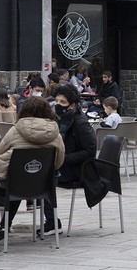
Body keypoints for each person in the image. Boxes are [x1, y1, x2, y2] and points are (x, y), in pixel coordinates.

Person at [0, 96, 65, 245]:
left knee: (13, 181)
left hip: (14, 183)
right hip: (42, 186)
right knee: (21, 180)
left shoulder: (16, 130)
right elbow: (58, 162)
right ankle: (4, 225)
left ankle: (2, 215)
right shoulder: (56, 133)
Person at [41, 84, 96, 235]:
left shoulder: (80, 122)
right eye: (57, 101)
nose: (58, 105)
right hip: (63, 165)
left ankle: (52, 222)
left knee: (43, 178)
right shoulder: (59, 120)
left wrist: (63, 159)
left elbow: (90, 151)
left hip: (78, 170)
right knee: (36, 172)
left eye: (62, 103)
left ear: (72, 105)